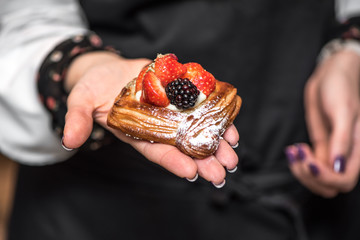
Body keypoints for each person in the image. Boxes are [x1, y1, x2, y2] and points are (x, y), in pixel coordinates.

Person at [1, 0, 360, 239]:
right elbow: (25, 15)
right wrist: (82, 66)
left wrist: (350, 48)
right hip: (96, 208)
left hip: (297, 178)